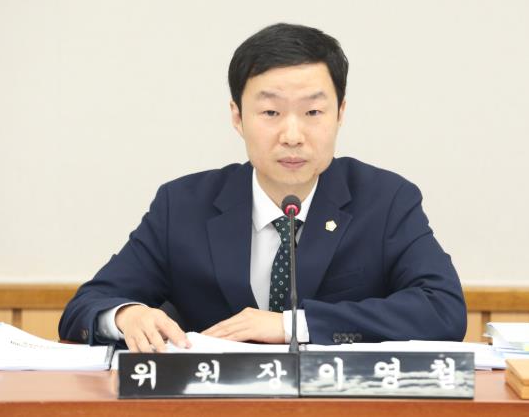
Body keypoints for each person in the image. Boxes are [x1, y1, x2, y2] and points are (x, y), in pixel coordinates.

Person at [58, 23, 467, 352]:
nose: (292, 135)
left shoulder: (386, 200)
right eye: (271, 112)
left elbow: (443, 309)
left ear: (340, 113)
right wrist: (126, 315)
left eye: (313, 112)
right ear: (237, 117)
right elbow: (86, 307)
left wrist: (291, 325)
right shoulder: (181, 205)